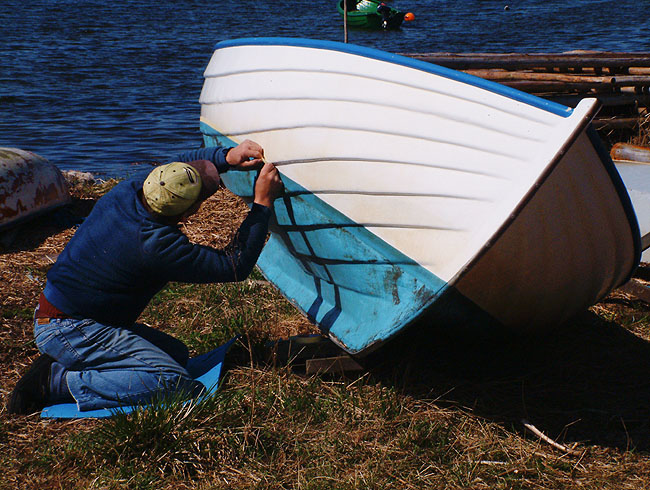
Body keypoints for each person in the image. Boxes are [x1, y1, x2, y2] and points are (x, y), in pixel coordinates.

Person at [7, 140, 283, 414]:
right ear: (189, 212)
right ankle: (54, 383)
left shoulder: (135, 188)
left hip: (65, 313)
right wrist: (262, 204)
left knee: (177, 355)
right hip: (69, 327)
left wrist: (227, 156)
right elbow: (233, 266)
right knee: (172, 381)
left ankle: (67, 362)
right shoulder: (156, 245)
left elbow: (180, 159)